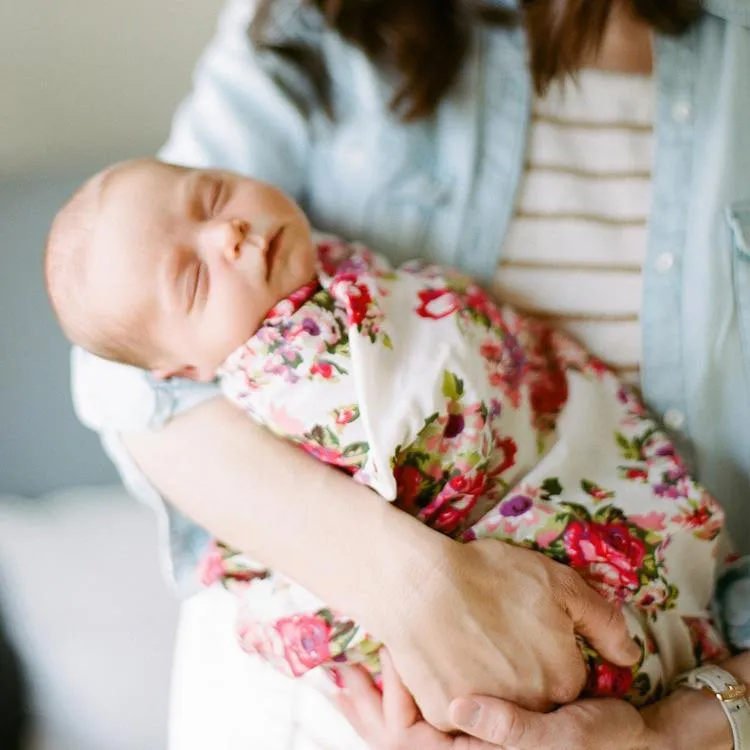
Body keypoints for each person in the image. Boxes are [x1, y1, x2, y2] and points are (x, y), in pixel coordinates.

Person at [69, 0, 750, 748]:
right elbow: (125, 376)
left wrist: (676, 732)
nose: (227, 231)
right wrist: (413, 589)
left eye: (216, 200)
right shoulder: (319, 23)